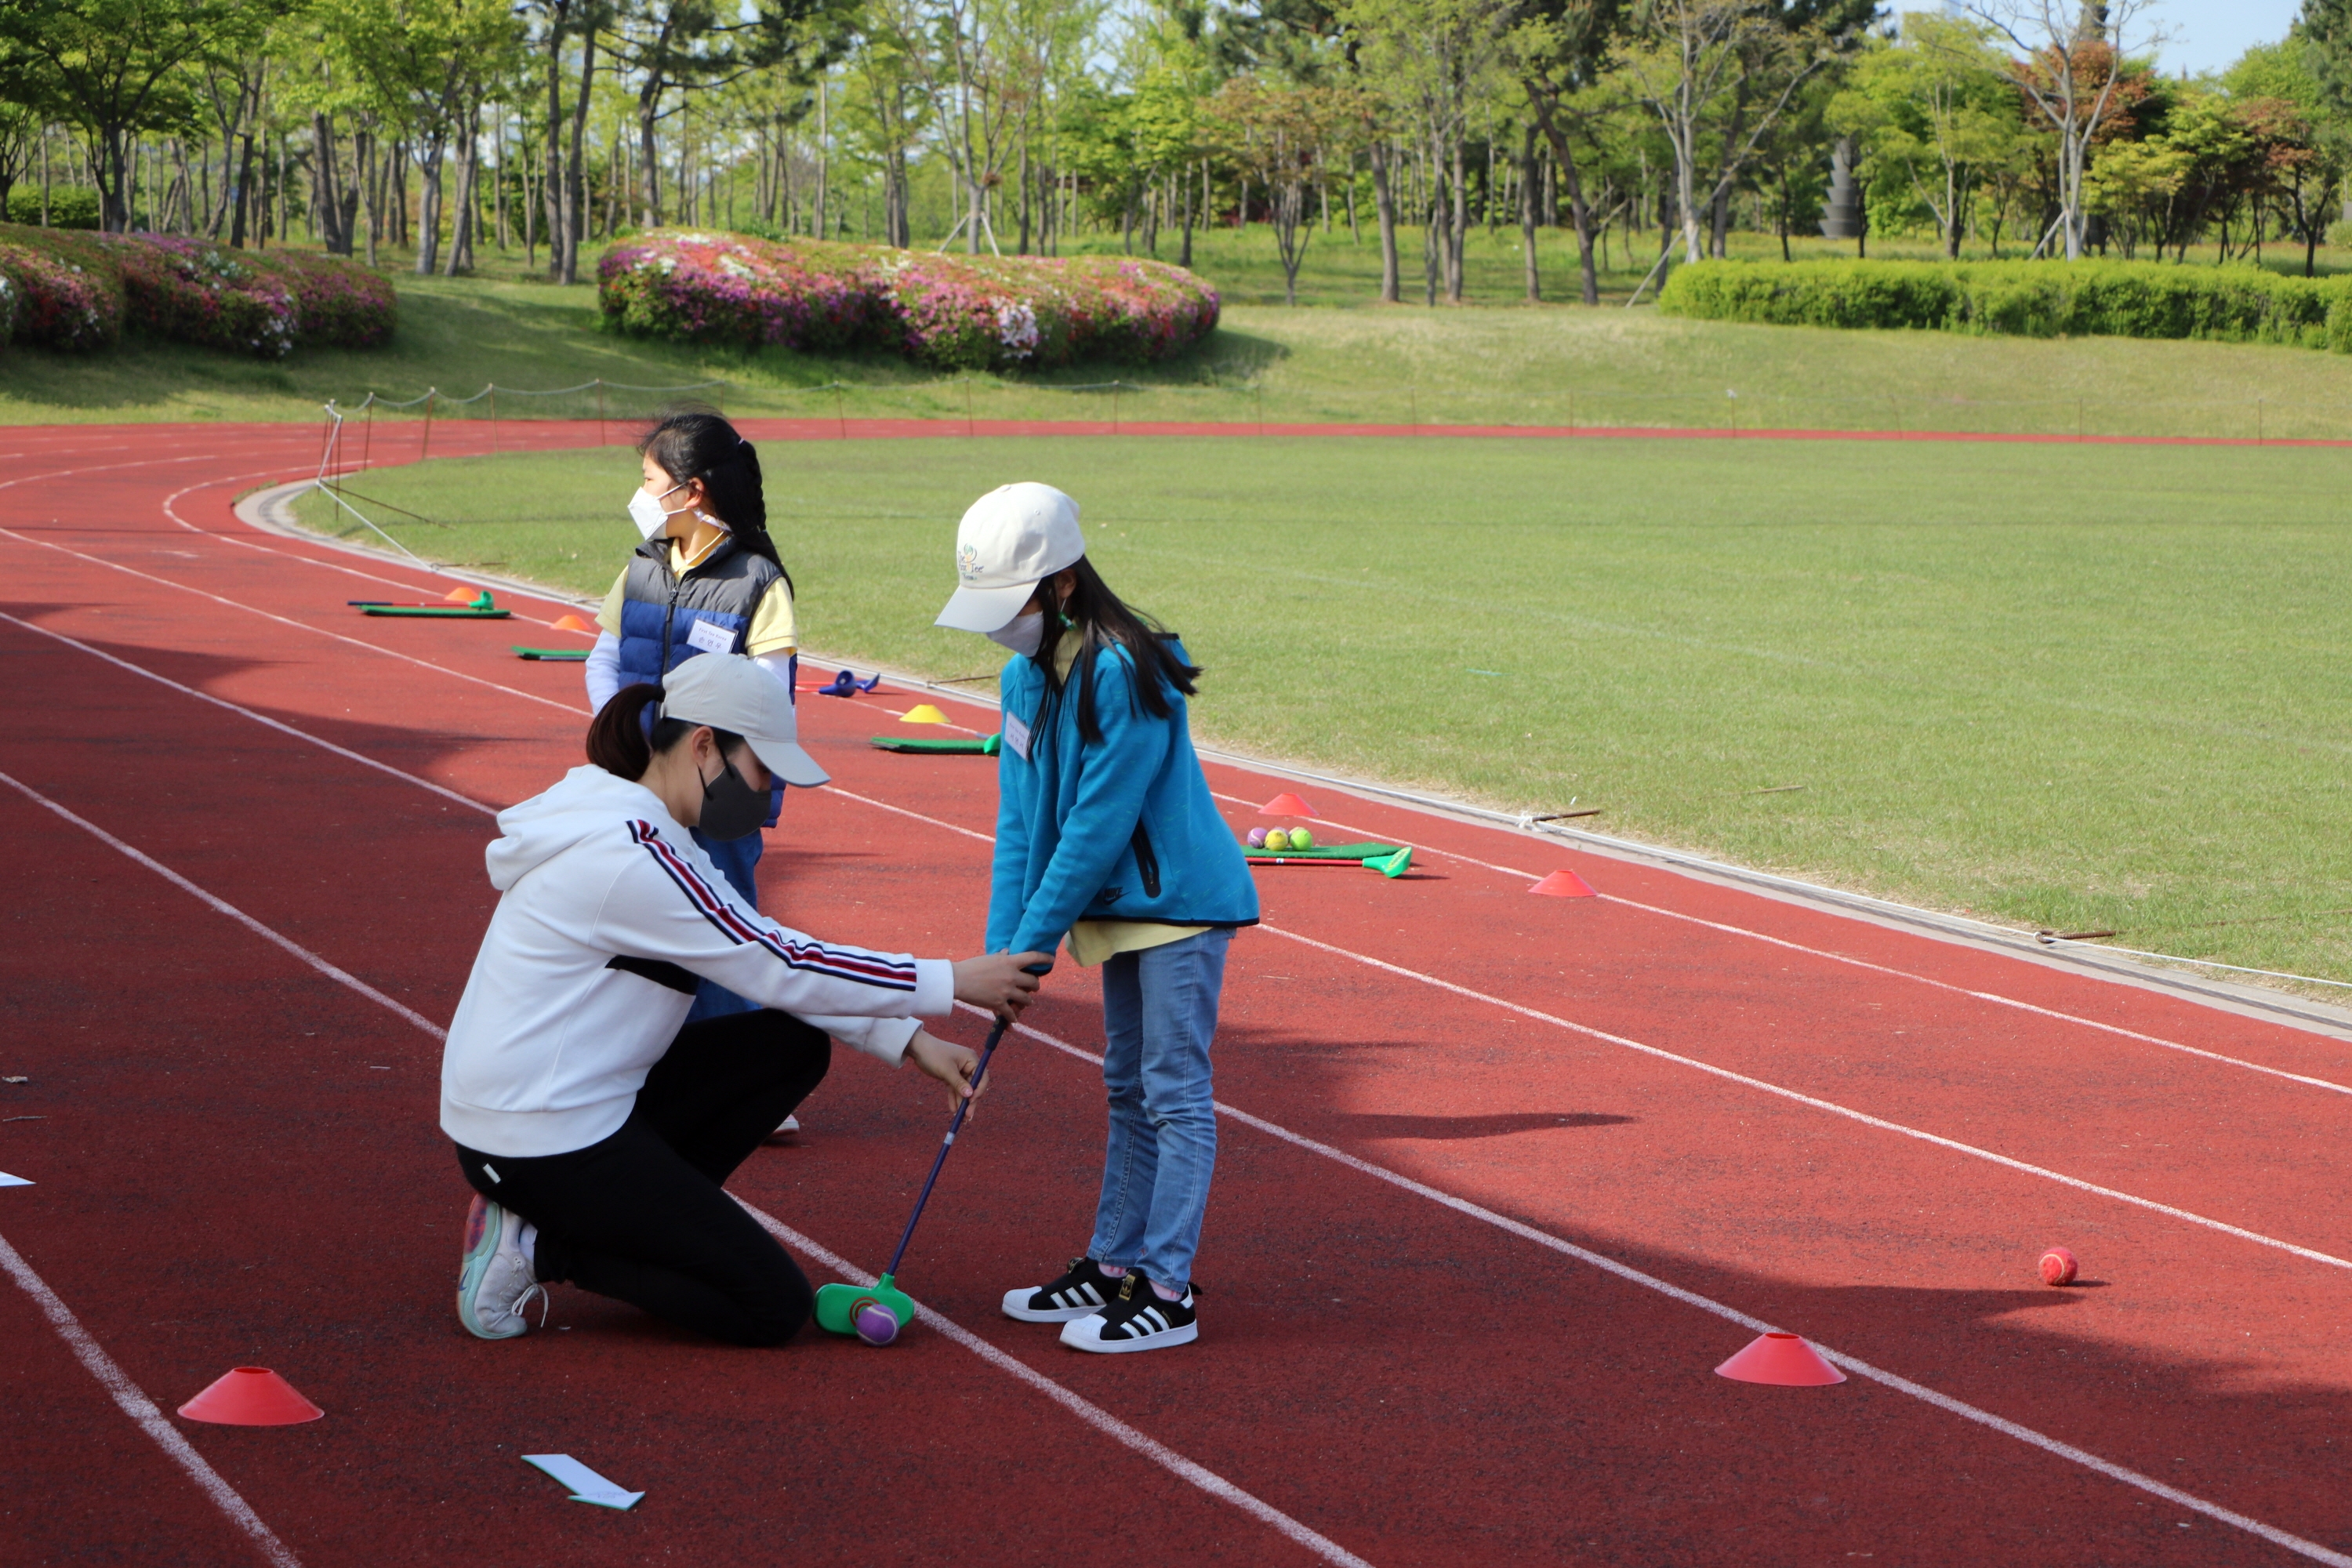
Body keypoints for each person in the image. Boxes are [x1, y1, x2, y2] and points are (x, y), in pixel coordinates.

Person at [443, 652, 1050, 1346]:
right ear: (704, 746)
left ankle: (625, 1225)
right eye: (761, 770)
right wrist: (953, 980)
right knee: (771, 1307)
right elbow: (777, 964)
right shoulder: (629, 857)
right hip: (535, 1137)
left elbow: (754, 949)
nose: (767, 792)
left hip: (560, 1106)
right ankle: (543, 1246)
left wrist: (910, 1040)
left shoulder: (644, 827)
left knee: (787, 1047)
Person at [936, 483, 1258, 1354]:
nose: (1001, 627)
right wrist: (1002, 956)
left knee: (1173, 1091)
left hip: (1177, 905)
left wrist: (1034, 947)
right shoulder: (1021, 677)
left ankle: (1168, 1290)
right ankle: (1114, 1263)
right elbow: (1019, 824)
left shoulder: (1127, 670)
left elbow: (1095, 827)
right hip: (1116, 909)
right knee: (1125, 1086)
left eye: (1013, 603)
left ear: (1064, 584)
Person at [585, 409, 797, 1029]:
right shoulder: (640, 568)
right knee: (639, 935)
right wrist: (623, 740)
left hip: (719, 795)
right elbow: (603, 660)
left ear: (692, 490)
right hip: (640, 783)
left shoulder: (758, 582)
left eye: (649, 481)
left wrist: (696, 759)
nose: (641, 495)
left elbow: (768, 695)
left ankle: (735, 1064)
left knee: (723, 935)